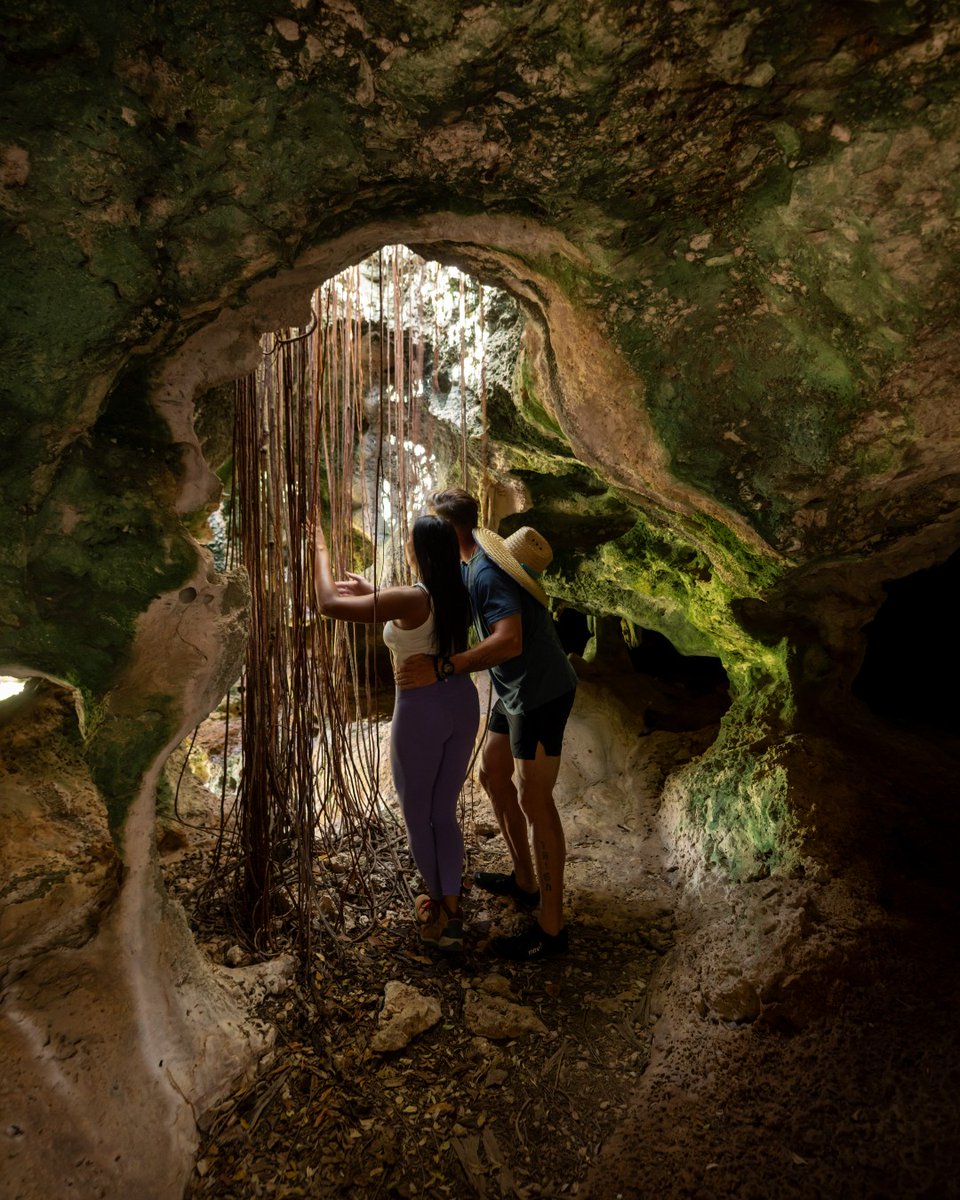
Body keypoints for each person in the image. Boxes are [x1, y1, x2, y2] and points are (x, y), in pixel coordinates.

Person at [395, 488, 578, 961]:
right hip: (512, 689)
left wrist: (445, 668)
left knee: (534, 798)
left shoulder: (487, 572)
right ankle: (524, 881)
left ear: (447, 529)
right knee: (493, 774)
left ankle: (552, 929)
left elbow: (509, 640)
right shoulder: (466, 564)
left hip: (539, 692)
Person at [313, 514, 479, 952]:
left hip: (421, 709)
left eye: (408, 539)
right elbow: (415, 617)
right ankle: (454, 908)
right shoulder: (458, 589)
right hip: (461, 703)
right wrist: (373, 593)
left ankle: (438, 912)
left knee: (416, 814)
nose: (404, 544)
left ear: (419, 551)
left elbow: (328, 604)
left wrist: (319, 550)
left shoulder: (411, 598)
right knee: (444, 811)